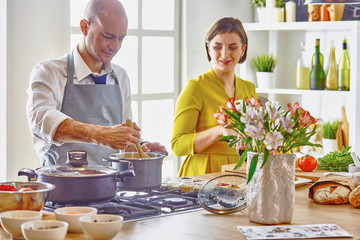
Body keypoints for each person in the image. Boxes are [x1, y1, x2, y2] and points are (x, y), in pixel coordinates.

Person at [26, 0, 167, 166]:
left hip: (111, 188)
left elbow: (124, 144)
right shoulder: (49, 72)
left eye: (121, 39)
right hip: (62, 187)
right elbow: (42, 121)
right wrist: (102, 135)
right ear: (85, 27)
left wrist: (141, 148)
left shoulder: (120, 77)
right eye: (108, 37)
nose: (115, 46)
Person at [171, 17, 257, 177]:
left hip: (238, 175)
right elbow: (178, 145)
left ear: (242, 50)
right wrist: (219, 131)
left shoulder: (248, 88)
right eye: (217, 47)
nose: (225, 54)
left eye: (233, 47)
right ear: (208, 48)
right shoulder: (195, 87)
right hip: (201, 176)